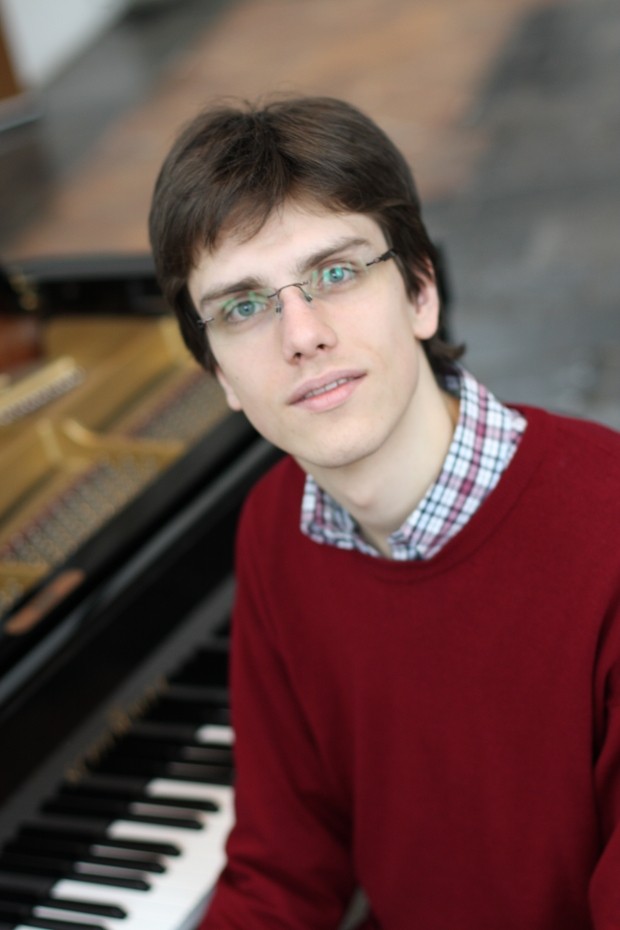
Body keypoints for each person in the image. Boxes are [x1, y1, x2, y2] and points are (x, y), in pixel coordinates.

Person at [148, 96, 620, 930]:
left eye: (336, 273)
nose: (301, 335)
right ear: (219, 373)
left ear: (421, 292)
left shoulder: (605, 527)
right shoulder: (275, 528)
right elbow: (283, 868)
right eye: (244, 306)